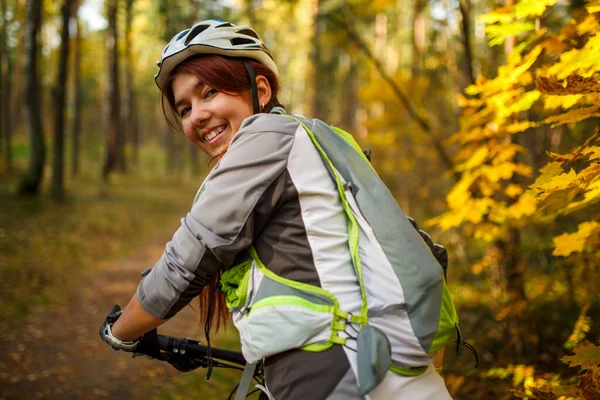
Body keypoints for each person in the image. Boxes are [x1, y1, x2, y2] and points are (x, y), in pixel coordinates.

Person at [100, 19, 455, 400]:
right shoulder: (322, 143)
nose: (197, 115)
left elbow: (187, 259)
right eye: (184, 108)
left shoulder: (265, 139)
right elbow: (421, 247)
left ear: (261, 89)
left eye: (210, 92)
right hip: (403, 379)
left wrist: (120, 332)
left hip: (340, 376)